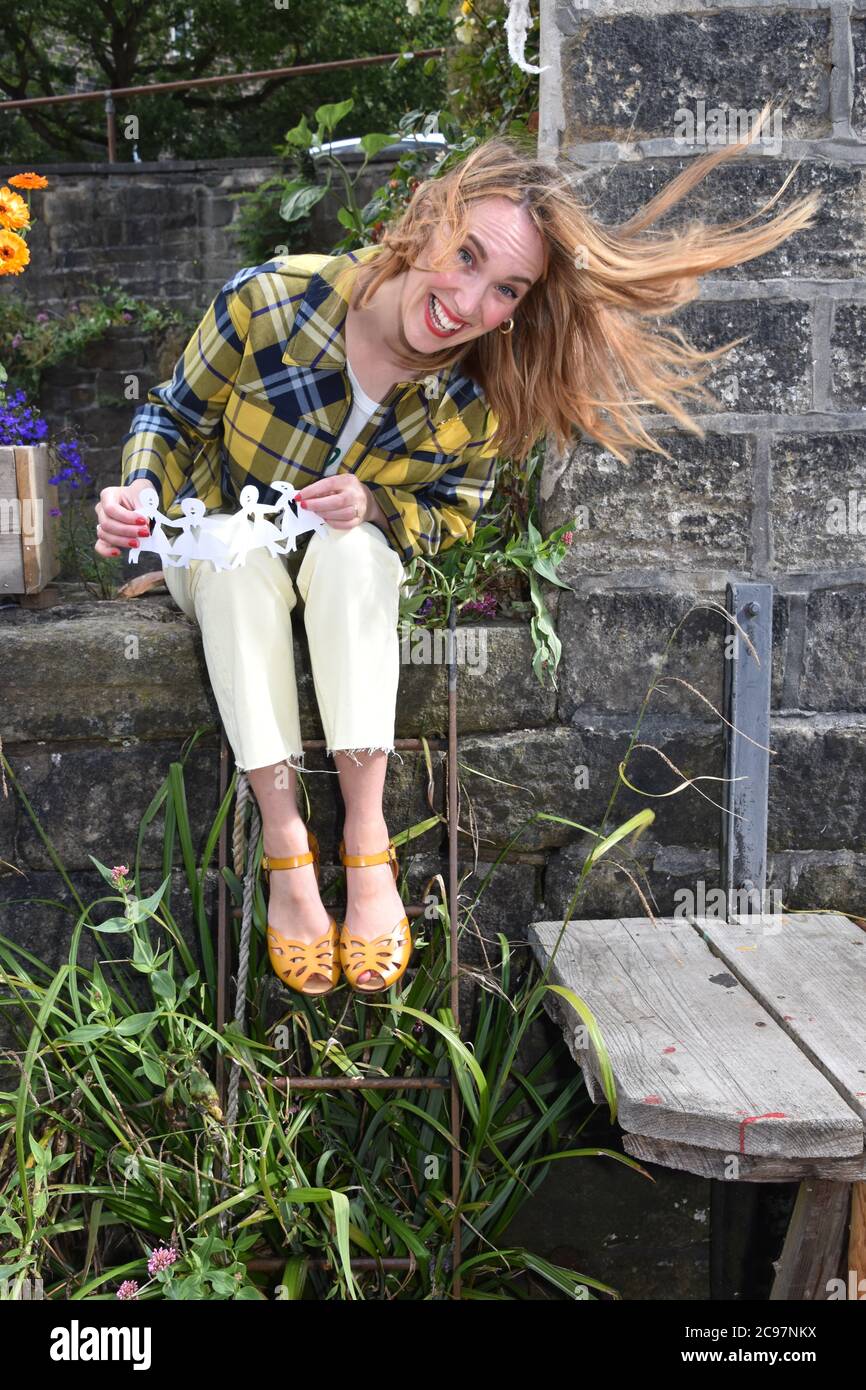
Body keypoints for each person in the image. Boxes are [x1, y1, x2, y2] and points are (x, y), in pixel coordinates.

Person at [94, 106, 820, 996]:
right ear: (432, 218)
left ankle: (366, 840)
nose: (471, 303)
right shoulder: (273, 298)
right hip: (217, 546)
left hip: (338, 570)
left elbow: (454, 518)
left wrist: (377, 505)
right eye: (469, 255)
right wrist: (138, 490)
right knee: (241, 561)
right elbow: (170, 415)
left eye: (508, 289)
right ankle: (286, 839)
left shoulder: (476, 401)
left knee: (357, 550)